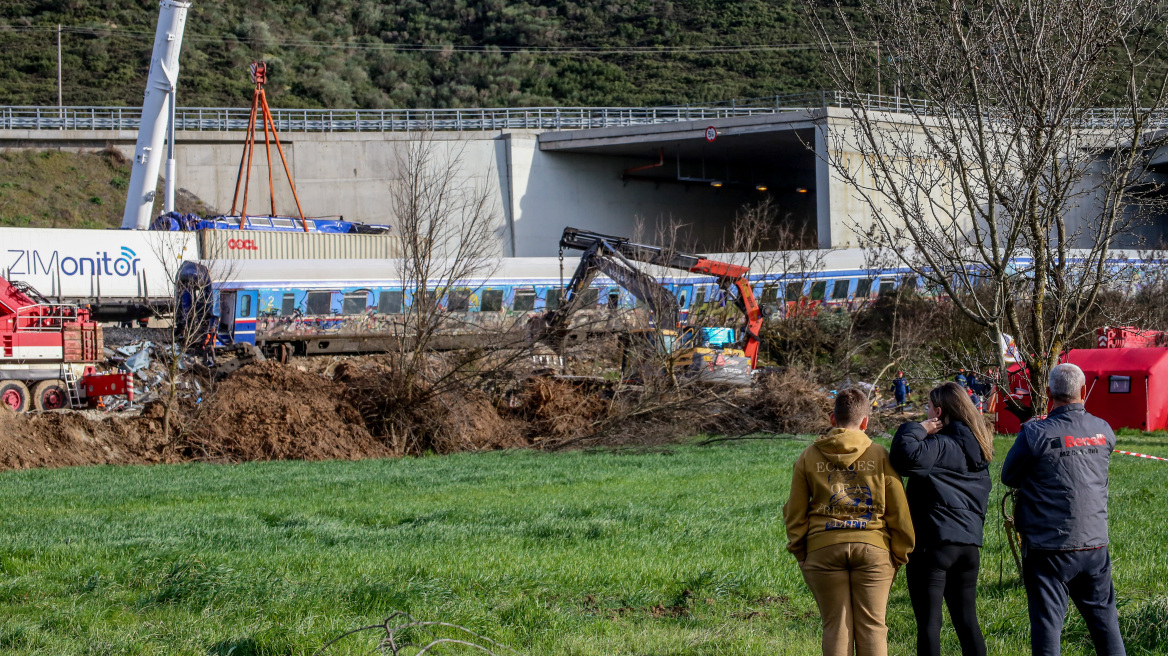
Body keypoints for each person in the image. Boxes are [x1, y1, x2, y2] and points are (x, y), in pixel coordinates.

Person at [1001, 363, 1125, 656]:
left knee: (1047, 627)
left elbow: (1009, 476)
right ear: (1083, 391)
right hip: (1094, 542)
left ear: (1047, 393)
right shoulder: (1103, 430)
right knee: (1106, 624)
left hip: (1048, 547)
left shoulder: (1035, 433)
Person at [784, 388, 915, 656]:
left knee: (835, 626)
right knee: (873, 627)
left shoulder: (809, 455)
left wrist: (799, 550)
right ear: (865, 422)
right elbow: (899, 509)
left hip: (823, 547)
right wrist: (899, 554)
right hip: (873, 547)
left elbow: (794, 510)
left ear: (833, 419)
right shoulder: (880, 454)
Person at [891, 382, 994, 656]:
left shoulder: (939, 445)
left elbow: (903, 457)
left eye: (928, 407)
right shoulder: (981, 449)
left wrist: (919, 428)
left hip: (933, 545)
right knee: (967, 622)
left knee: (929, 624)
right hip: (969, 548)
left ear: (938, 411)